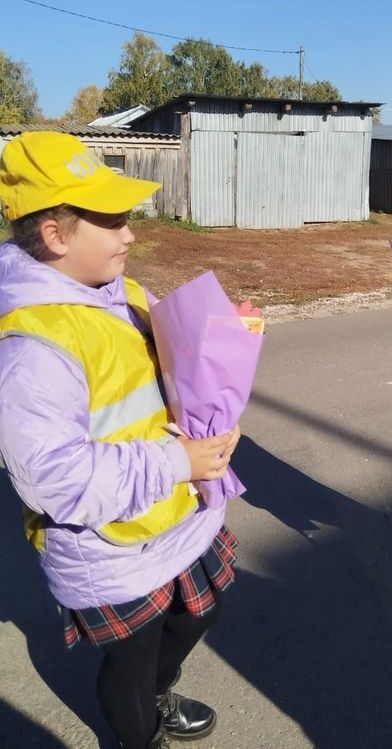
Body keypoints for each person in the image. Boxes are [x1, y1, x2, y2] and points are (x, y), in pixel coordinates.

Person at [0, 132, 242, 748]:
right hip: (108, 545)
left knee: (200, 612)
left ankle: (162, 691)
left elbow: (173, 377)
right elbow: (53, 478)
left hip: (176, 514)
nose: (130, 233)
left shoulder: (124, 293)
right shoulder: (32, 346)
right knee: (130, 665)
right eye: (112, 220)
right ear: (55, 234)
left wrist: (220, 357)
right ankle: (140, 736)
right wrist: (176, 458)